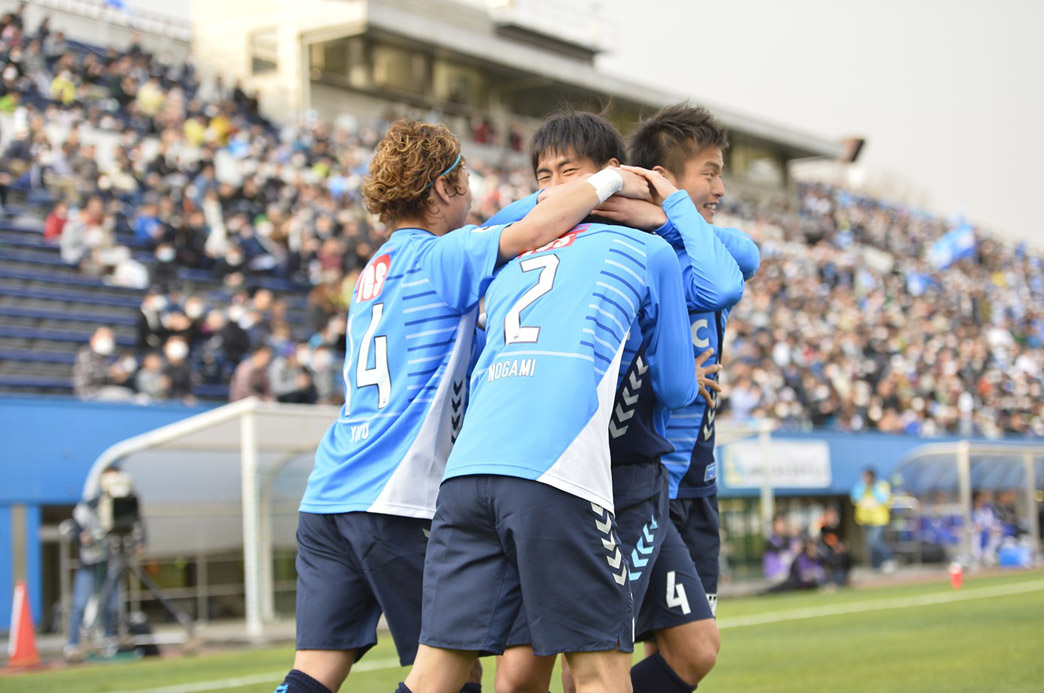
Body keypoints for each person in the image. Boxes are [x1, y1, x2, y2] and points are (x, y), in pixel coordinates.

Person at [276, 119, 652, 693]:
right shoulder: (442, 256)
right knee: (451, 670)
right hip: (393, 496)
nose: (473, 195)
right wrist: (608, 181)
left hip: (329, 495)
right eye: (466, 180)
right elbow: (528, 232)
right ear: (441, 190)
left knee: (315, 671)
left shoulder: (374, 271)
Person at [401, 172, 700, 692]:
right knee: (599, 669)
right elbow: (678, 389)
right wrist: (667, 212)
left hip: (467, 473)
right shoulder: (645, 250)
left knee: (435, 674)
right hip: (556, 472)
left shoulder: (506, 256)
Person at [488, 110, 740, 693]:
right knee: (548, 665)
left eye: (567, 173)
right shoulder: (546, 245)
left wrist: (659, 209)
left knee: (693, 648)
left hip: (646, 477)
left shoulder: (661, 242)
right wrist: (582, 196)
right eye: (543, 176)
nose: (553, 188)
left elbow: (736, 268)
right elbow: (497, 227)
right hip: (582, 473)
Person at [851, 467, 895, 571]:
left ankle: (889, 559)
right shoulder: (861, 486)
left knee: (875, 541)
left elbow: (884, 499)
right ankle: (876, 566)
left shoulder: (881, 485)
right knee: (870, 545)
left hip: (879, 520)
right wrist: (864, 487)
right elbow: (855, 498)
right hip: (866, 520)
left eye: (866, 476)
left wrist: (873, 488)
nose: (864, 478)